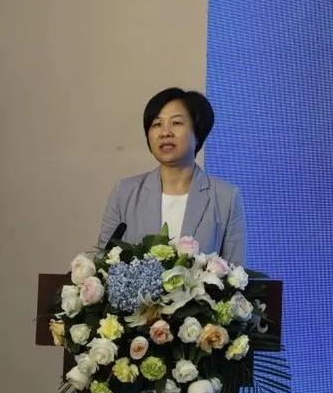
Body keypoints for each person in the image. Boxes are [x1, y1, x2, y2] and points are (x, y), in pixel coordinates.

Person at [97, 87, 246, 266]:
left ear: (197, 133)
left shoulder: (226, 198)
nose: (165, 132)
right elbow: (103, 263)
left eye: (176, 123)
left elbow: (235, 272)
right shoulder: (124, 192)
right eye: (156, 124)